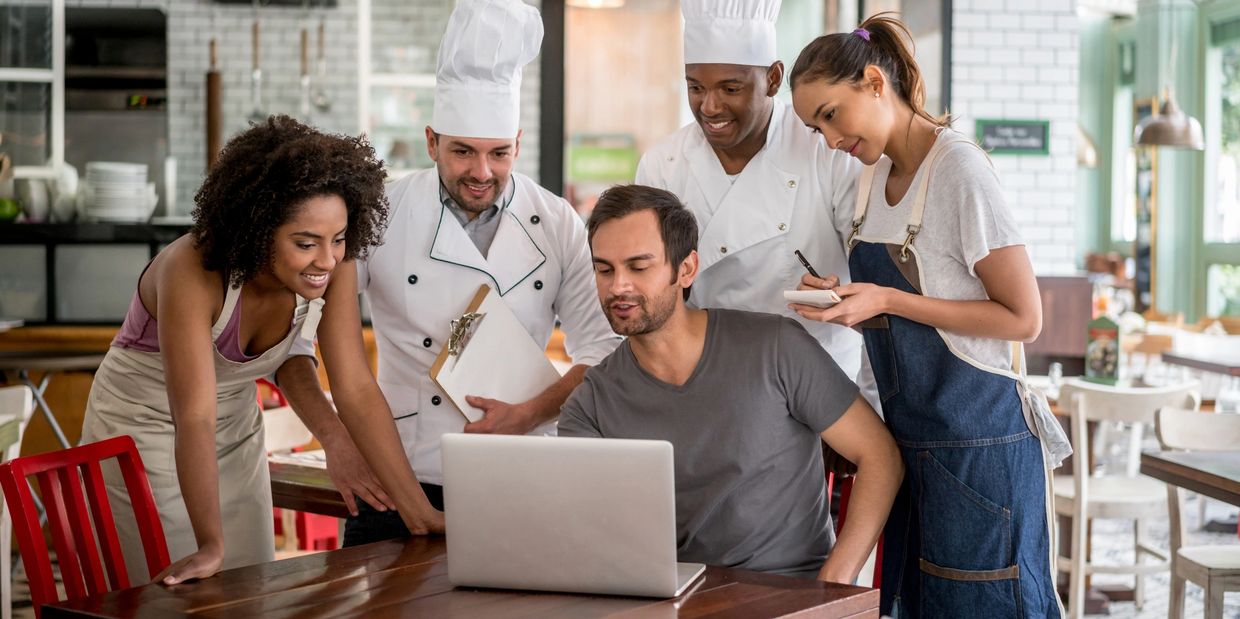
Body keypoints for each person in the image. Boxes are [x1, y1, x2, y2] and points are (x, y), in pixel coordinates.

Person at [280, 0, 619, 547]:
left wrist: (530, 412)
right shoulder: (376, 215)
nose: (482, 172)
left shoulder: (556, 221)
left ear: (519, 144)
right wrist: (337, 441)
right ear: (432, 141)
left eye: (499, 154)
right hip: (401, 473)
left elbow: (603, 349)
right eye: (463, 152)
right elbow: (295, 340)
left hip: (522, 472)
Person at [787, 14, 1070, 617]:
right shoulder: (871, 180)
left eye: (831, 115)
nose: (830, 140)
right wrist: (847, 298)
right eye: (816, 128)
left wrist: (887, 299)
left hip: (981, 448)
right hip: (909, 447)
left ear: (873, 82)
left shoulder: (960, 170)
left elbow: (1024, 317)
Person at [80, 115, 443, 586]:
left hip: (233, 428)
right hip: (140, 427)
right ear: (256, 229)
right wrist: (211, 544)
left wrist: (421, 514)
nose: (327, 259)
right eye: (305, 243)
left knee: (249, 584)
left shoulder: (332, 264)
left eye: (338, 239)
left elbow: (354, 386)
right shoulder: (191, 271)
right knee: (173, 593)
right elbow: (194, 417)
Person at [558, 184, 902, 582]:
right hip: (671, 596)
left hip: (792, 592)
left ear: (686, 269)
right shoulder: (589, 405)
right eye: (604, 269)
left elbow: (881, 456)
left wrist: (833, 584)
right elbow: (588, 533)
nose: (618, 286)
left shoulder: (776, 347)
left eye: (638, 267)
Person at [634, 0, 872, 409]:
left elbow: (877, 292)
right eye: (695, 87)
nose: (710, 107)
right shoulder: (663, 165)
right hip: (703, 386)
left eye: (731, 89)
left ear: (773, 79)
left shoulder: (828, 150)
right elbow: (651, 291)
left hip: (818, 393)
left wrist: (839, 297)